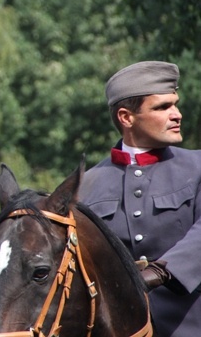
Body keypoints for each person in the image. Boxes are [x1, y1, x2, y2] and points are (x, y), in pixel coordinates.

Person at [79, 61, 201, 337]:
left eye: (175, 104)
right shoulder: (86, 187)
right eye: (162, 107)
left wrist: (160, 273)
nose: (177, 114)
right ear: (126, 117)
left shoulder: (198, 168)